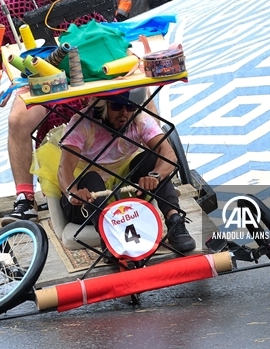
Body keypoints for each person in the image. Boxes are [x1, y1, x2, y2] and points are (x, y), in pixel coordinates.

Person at [0, 0, 112, 223]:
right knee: (18, 118)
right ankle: (24, 197)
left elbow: (109, 39)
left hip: (85, 81)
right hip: (40, 83)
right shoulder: (7, 6)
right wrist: (11, 68)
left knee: (129, 100)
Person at [58, 92, 195, 252]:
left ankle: (174, 220)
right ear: (103, 105)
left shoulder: (139, 120)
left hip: (124, 191)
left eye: (130, 106)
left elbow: (169, 154)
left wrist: (154, 176)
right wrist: (72, 193)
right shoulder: (82, 123)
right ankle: (108, 237)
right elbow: (64, 168)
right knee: (92, 177)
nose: (124, 113)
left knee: (150, 158)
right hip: (86, 200)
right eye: (116, 106)